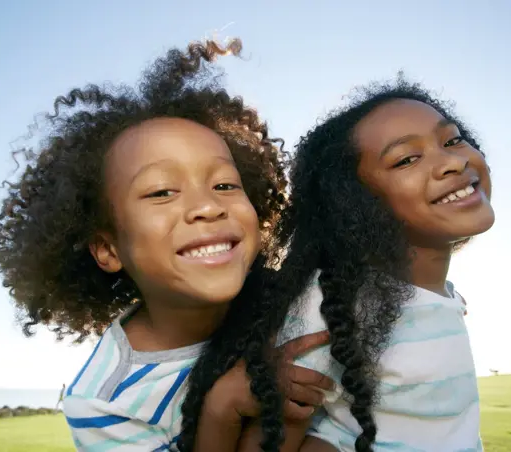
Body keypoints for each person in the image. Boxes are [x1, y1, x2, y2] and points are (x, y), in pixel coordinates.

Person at [0, 38, 332, 452]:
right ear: (109, 249)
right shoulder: (105, 401)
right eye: (162, 192)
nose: (206, 206)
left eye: (224, 184)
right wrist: (222, 407)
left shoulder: (311, 301)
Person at [182, 76, 495, 452]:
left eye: (451, 139)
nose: (451, 162)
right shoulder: (334, 305)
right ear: (356, 202)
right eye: (407, 159)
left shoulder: (439, 296)